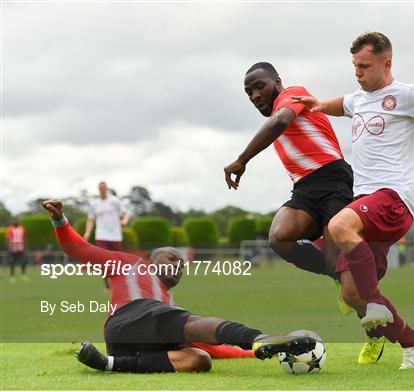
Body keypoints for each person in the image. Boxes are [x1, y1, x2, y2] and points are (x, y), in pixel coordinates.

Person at [292, 32, 414, 369]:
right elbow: (344, 104)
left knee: (339, 224)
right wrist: (320, 105)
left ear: (387, 63)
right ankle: (412, 342)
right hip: (366, 201)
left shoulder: (406, 95)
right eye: (354, 66)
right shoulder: (359, 99)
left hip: (395, 196)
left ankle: (375, 306)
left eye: (365, 66)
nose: (358, 72)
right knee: (353, 294)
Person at [42, 199, 317, 373]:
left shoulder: (166, 304)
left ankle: (109, 364)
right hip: (127, 317)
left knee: (199, 359)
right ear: (152, 258)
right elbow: (80, 250)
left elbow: (209, 345)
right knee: (193, 322)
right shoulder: (127, 263)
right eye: (172, 258)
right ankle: (259, 338)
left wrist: (242, 352)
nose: (179, 265)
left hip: (128, 347)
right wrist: (60, 221)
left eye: (183, 264)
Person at [223, 62, 355, 306]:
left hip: (334, 180)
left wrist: (242, 160)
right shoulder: (275, 117)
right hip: (305, 188)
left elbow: (281, 121)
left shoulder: (293, 94)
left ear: (277, 81)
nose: (255, 96)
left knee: (343, 273)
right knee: (279, 238)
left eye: (259, 86)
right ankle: (340, 274)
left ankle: (375, 323)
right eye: (249, 92)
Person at [84, 181, 129, 250]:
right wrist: (87, 233)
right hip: (101, 235)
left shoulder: (115, 200)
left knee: (117, 259)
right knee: (103, 258)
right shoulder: (94, 203)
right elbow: (90, 220)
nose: (103, 190)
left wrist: (124, 221)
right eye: (101, 188)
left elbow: (125, 213)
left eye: (104, 188)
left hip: (115, 236)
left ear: (107, 189)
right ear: (99, 189)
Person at [6, 218, 27, 283]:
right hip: (13, 248)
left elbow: (24, 238)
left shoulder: (22, 228)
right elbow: (8, 238)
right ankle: (12, 276)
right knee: (12, 262)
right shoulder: (10, 228)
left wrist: (25, 246)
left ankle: (23, 275)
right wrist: (11, 247)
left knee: (23, 261)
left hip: (21, 247)